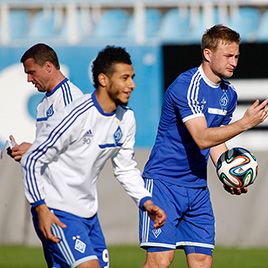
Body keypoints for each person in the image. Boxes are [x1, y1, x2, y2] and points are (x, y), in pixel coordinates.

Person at [20, 46, 166, 268]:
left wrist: (145, 201)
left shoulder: (126, 119)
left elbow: (125, 168)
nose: (132, 85)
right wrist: (41, 208)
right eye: (125, 78)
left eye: (132, 78)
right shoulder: (75, 115)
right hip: (57, 210)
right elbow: (32, 159)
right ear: (104, 80)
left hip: (88, 214)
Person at [139, 24, 268, 268]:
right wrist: (244, 123)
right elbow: (201, 137)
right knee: (160, 261)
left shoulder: (228, 94)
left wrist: (227, 171)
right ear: (208, 54)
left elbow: (214, 142)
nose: (234, 62)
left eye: (237, 56)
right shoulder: (186, 86)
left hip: (197, 189)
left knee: (202, 261)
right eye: (228, 56)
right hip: (164, 184)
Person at [9, 43, 83, 161]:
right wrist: (27, 156)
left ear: (48, 67)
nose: (29, 79)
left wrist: (33, 149)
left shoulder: (70, 98)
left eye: (32, 72)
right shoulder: (43, 103)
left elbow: (75, 149)